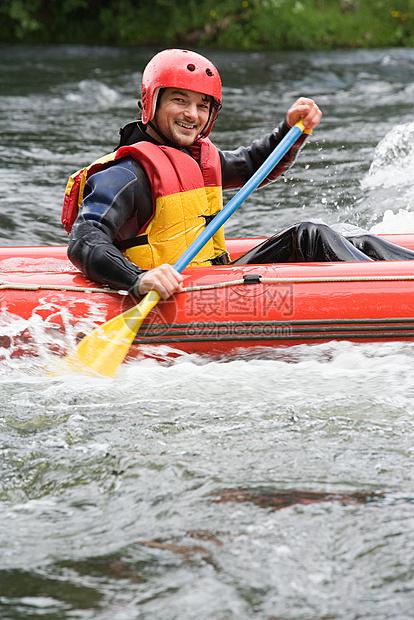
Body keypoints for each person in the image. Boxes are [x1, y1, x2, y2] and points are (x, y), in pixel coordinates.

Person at [64, 49, 414, 301]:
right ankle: (399, 295)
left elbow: (253, 166)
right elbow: (84, 239)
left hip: (213, 274)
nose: (192, 114)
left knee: (342, 236)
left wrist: (290, 130)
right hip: (181, 290)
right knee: (313, 234)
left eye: (203, 105)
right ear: (150, 103)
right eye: (179, 100)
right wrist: (138, 279)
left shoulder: (198, 158)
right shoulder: (125, 174)